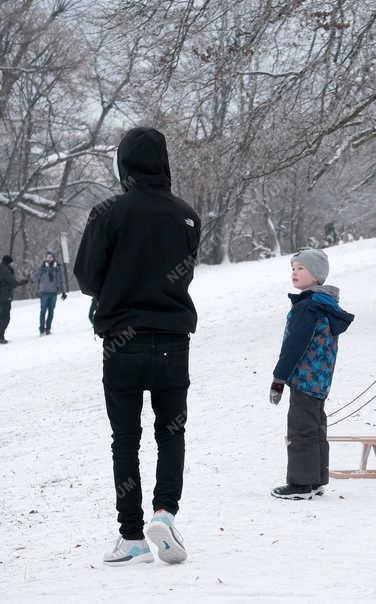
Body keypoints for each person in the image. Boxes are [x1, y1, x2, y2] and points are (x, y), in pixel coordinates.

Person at [75, 127, 201, 566]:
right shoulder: (186, 215)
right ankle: (164, 513)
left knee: (125, 439)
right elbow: (184, 271)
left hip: (121, 342)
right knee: (171, 432)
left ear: (124, 164)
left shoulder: (107, 212)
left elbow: (87, 278)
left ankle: (130, 535)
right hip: (172, 339)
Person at [269, 249, 354, 500]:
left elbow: (293, 347)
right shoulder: (325, 305)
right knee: (316, 427)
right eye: (293, 268)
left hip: (304, 379)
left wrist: (278, 379)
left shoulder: (307, 308)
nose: (295, 272)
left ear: (316, 275)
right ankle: (316, 478)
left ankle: (301, 484)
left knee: (300, 429)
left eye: (301, 268)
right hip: (320, 380)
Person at [32, 251, 66, 335]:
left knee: (51, 312)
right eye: (47, 257)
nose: (49, 259)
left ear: (53, 258)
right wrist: (32, 276)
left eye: (50, 257)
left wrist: (63, 292)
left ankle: (48, 329)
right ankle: (41, 329)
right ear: (45, 258)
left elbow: (61, 280)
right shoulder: (42, 268)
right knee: (43, 312)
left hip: (53, 293)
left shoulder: (57, 268)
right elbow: (34, 277)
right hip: (44, 293)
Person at [1, 255, 30, 344]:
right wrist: (22, 282)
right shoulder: (5, 270)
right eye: (12, 262)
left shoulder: (2, 268)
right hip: (4, 296)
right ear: (8, 262)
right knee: (5, 318)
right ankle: (1, 337)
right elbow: (12, 282)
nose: (13, 264)